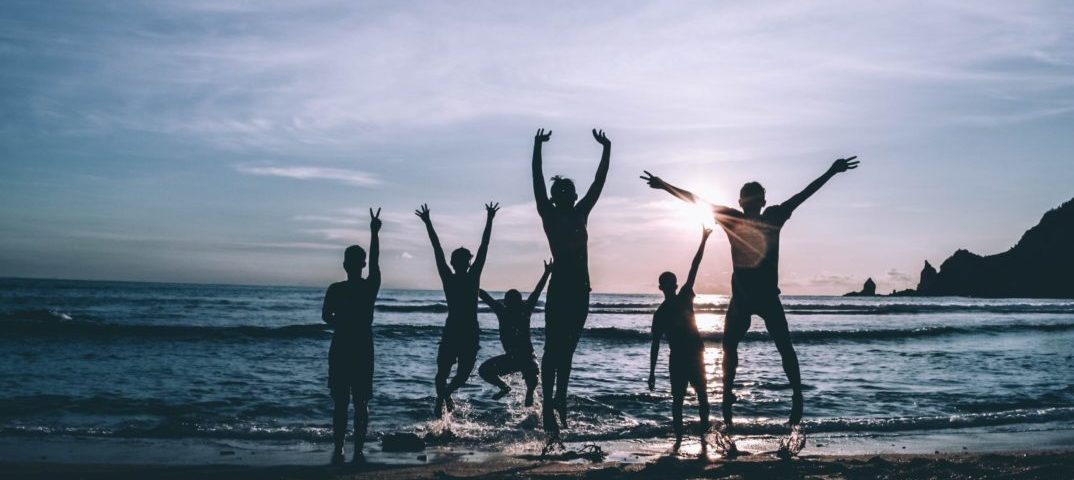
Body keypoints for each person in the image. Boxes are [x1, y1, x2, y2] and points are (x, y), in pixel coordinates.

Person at [641, 156, 860, 442]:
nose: (752, 203)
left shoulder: (767, 216)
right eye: (751, 199)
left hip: (764, 297)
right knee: (735, 346)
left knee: (778, 345)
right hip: (745, 299)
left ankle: (792, 395)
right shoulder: (752, 217)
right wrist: (664, 186)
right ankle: (737, 399)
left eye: (753, 199)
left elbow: (803, 194)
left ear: (752, 201)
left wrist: (831, 171)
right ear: (749, 202)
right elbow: (696, 199)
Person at [531, 128, 611, 438]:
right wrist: (537, 146)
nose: (564, 196)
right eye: (559, 193)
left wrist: (607, 148)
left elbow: (599, 182)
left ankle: (559, 400)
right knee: (553, 350)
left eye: (568, 192)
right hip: (561, 290)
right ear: (554, 197)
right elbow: (537, 180)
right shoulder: (549, 215)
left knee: (568, 352)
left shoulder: (582, 213)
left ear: (574, 197)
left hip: (581, 291)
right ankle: (548, 408)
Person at [415, 202, 498, 418]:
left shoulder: (467, 278)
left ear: (463, 263)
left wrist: (428, 223)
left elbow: (481, 248)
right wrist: (428, 223)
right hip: (459, 329)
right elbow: (440, 250)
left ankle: (444, 396)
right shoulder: (455, 278)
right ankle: (443, 398)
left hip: (464, 330)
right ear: (455, 262)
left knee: (457, 375)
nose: (458, 262)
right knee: (446, 373)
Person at [321, 208, 382, 465]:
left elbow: (326, 316)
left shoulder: (336, 289)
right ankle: (357, 448)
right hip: (361, 347)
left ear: (345, 264)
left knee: (342, 401)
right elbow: (377, 261)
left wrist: (342, 322)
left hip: (343, 346)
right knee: (360, 401)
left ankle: (340, 448)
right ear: (362, 265)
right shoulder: (369, 285)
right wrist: (374, 232)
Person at [648, 226, 713, 454]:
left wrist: (703, 239)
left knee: (695, 398)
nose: (669, 286)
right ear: (666, 287)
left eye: (670, 283)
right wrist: (652, 372)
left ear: (670, 286)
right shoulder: (667, 308)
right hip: (685, 357)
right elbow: (655, 344)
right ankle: (686, 439)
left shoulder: (678, 301)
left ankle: (695, 438)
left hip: (691, 355)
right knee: (688, 399)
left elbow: (694, 267)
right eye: (668, 283)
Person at [477, 259, 553, 406]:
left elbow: (537, 291)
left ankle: (529, 393)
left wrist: (546, 273)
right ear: (506, 302)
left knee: (532, 381)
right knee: (484, 371)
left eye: (513, 301)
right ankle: (505, 387)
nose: (510, 304)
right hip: (511, 358)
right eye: (509, 302)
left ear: (518, 302)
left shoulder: (521, 310)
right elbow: (485, 297)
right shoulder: (505, 311)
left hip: (527, 357)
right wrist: (546, 272)